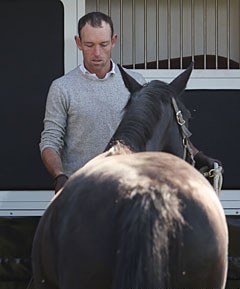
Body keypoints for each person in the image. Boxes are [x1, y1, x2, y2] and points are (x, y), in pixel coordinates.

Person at [40, 11, 220, 193]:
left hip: (128, 189)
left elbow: (160, 129)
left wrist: (197, 155)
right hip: (81, 188)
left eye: (104, 44)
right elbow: (50, 141)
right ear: (78, 43)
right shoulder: (62, 88)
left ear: (114, 41)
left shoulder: (138, 83)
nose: (97, 53)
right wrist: (60, 175)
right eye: (89, 45)